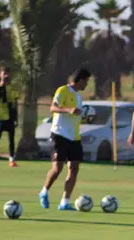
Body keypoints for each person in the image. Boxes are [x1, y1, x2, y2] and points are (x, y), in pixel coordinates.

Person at [39, 68, 91, 211]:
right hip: (60, 134)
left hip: (74, 137)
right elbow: (53, 107)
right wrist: (69, 110)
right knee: (57, 168)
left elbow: (76, 115)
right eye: (86, 81)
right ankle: (44, 191)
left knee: (74, 168)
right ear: (80, 80)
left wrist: (85, 117)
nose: (87, 84)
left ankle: (64, 202)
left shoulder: (79, 97)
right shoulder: (63, 90)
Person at [0, 66, 19, 167]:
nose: (6, 75)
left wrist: (16, 118)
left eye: (7, 73)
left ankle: (11, 160)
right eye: (4, 73)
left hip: (10, 117)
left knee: (11, 139)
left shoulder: (13, 88)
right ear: (0, 75)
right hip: (0, 117)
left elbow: (15, 103)